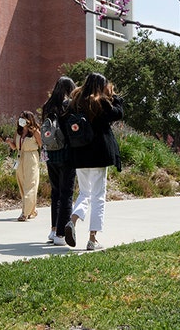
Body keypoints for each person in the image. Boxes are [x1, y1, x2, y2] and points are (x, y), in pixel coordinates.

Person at [65, 72, 124, 250]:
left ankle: (73, 221)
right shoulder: (101, 102)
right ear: (101, 86)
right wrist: (115, 97)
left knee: (84, 193)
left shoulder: (75, 101)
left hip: (80, 155)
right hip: (99, 155)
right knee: (98, 196)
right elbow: (118, 114)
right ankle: (92, 239)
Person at [41, 76, 77, 246]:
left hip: (50, 154)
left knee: (55, 193)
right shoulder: (68, 106)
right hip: (66, 154)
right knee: (66, 193)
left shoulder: (47, 106)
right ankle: (61, 235)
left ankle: (54, 229)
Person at [5, 110, 43, 222]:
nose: (20, 119)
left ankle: (24, 213)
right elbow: (15, 147)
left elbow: (41, 145)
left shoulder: (35, 132)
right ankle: (31, 210)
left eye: (23, 118)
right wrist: (9, 142)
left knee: (30, 184)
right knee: (22, 184)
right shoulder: (18, 132)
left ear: (29, 120)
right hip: (20, 157)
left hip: (31, 157)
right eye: (20, 117)